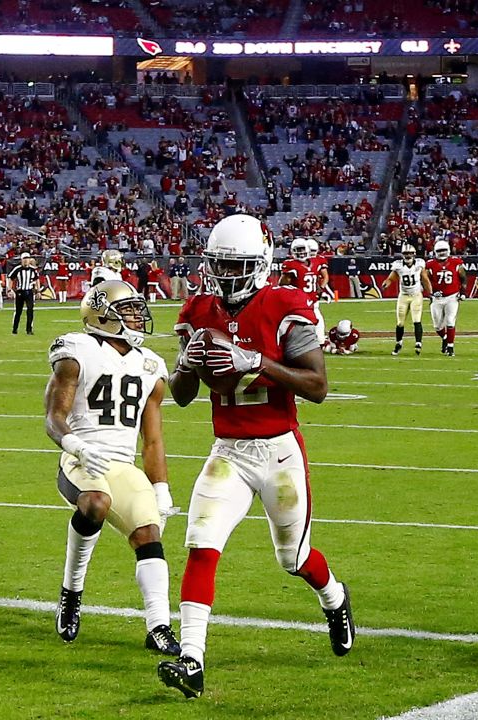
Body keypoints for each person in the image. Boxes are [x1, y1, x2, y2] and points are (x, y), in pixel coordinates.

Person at [158, 214, 354, 699]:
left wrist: (259, 362)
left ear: (260, 263)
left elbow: (319, 387)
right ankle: (191, 659)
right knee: (201, 543)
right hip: (228, 450)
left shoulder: (285, 305)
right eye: (220, 266)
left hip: (278, 450)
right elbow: (182, 396)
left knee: (293, 557)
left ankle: (334, 598)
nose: (225, 276)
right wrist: (186, 361)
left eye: (237, 266)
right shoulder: (199, 309)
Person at [44, 280, 180, 657]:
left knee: (149, 531)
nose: (139, 316)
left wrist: (162, 488)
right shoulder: (77, 351)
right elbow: (54, 417)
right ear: (102, 314)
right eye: (130, 309)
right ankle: (72, 593)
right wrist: (76, 445)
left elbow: (152, 440)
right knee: (96, 502)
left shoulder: (150, 364)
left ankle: (159, 627)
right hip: (81, 458)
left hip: (122, 464)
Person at [381, 244, 432, 356]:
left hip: (416, 295)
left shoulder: (419, 264)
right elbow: (391, 278)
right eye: (405, 254)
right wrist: (386, 283)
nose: (408, 256)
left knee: (416, 320)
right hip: (403, 296)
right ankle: (398, 343)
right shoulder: (398, 266)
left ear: (414, 254)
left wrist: (430, 293)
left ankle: (418, 343)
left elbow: (425, 279)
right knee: (400, 322)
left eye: (409, 254)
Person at [280, 239, 327, 343]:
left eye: (302, 249)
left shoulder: (315, 262)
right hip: (298, 304)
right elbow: (283, 284)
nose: (301, 252)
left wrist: (320, 290)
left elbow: (316, 282)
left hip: (312, 303)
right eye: (298, 250)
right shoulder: (291, 264)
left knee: (319, 335)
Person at [426, 240, 467, 356]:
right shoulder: (430, 264)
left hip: (452, 296)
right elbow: (425, 281)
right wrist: (431, 293)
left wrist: (463, 292)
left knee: (450, 321)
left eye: (444, 250)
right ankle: (445, 338)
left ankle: (450, 347)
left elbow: (463, 277)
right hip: (437, 298)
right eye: (439, 251)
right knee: (437, 326)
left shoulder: (456, 262)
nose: (442, 253)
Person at [8, 252, 40, 335]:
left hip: (29, 292)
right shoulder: (17, 269)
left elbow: (37, 279)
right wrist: (9, 289)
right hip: (20, 292)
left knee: (30, 310)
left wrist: (38, 290)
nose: (26, 261)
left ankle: (29, 329)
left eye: (27, 259)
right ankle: (15, 329)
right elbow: (11, 278)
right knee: (18, 311)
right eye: (24, 259)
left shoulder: (33, 270)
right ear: (21, 260)